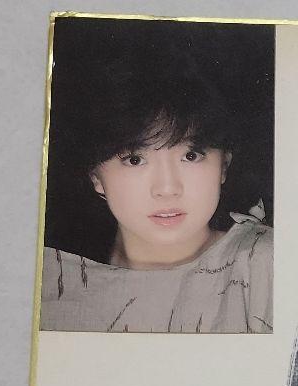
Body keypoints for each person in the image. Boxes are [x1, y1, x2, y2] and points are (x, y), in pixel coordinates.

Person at [40, 20, 274, 333]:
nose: (167, 188)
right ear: (96, 176)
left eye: (191, 156)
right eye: (135, 160)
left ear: (224, 165)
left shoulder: (264, 266)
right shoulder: (47, 280)